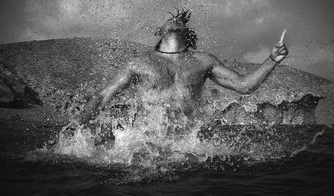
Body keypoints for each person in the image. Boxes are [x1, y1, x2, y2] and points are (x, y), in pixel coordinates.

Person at [64, 8, 288, 136]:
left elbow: (244, 86)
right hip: (145, 143)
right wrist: (73, 131)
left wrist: (272, 60)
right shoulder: (139, 62)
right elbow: (101, 97)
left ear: (188, 33)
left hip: (187, 145)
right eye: (171, 18)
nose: (176, 20)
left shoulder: (203, 61)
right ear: (160, 31)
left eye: (181, 21)